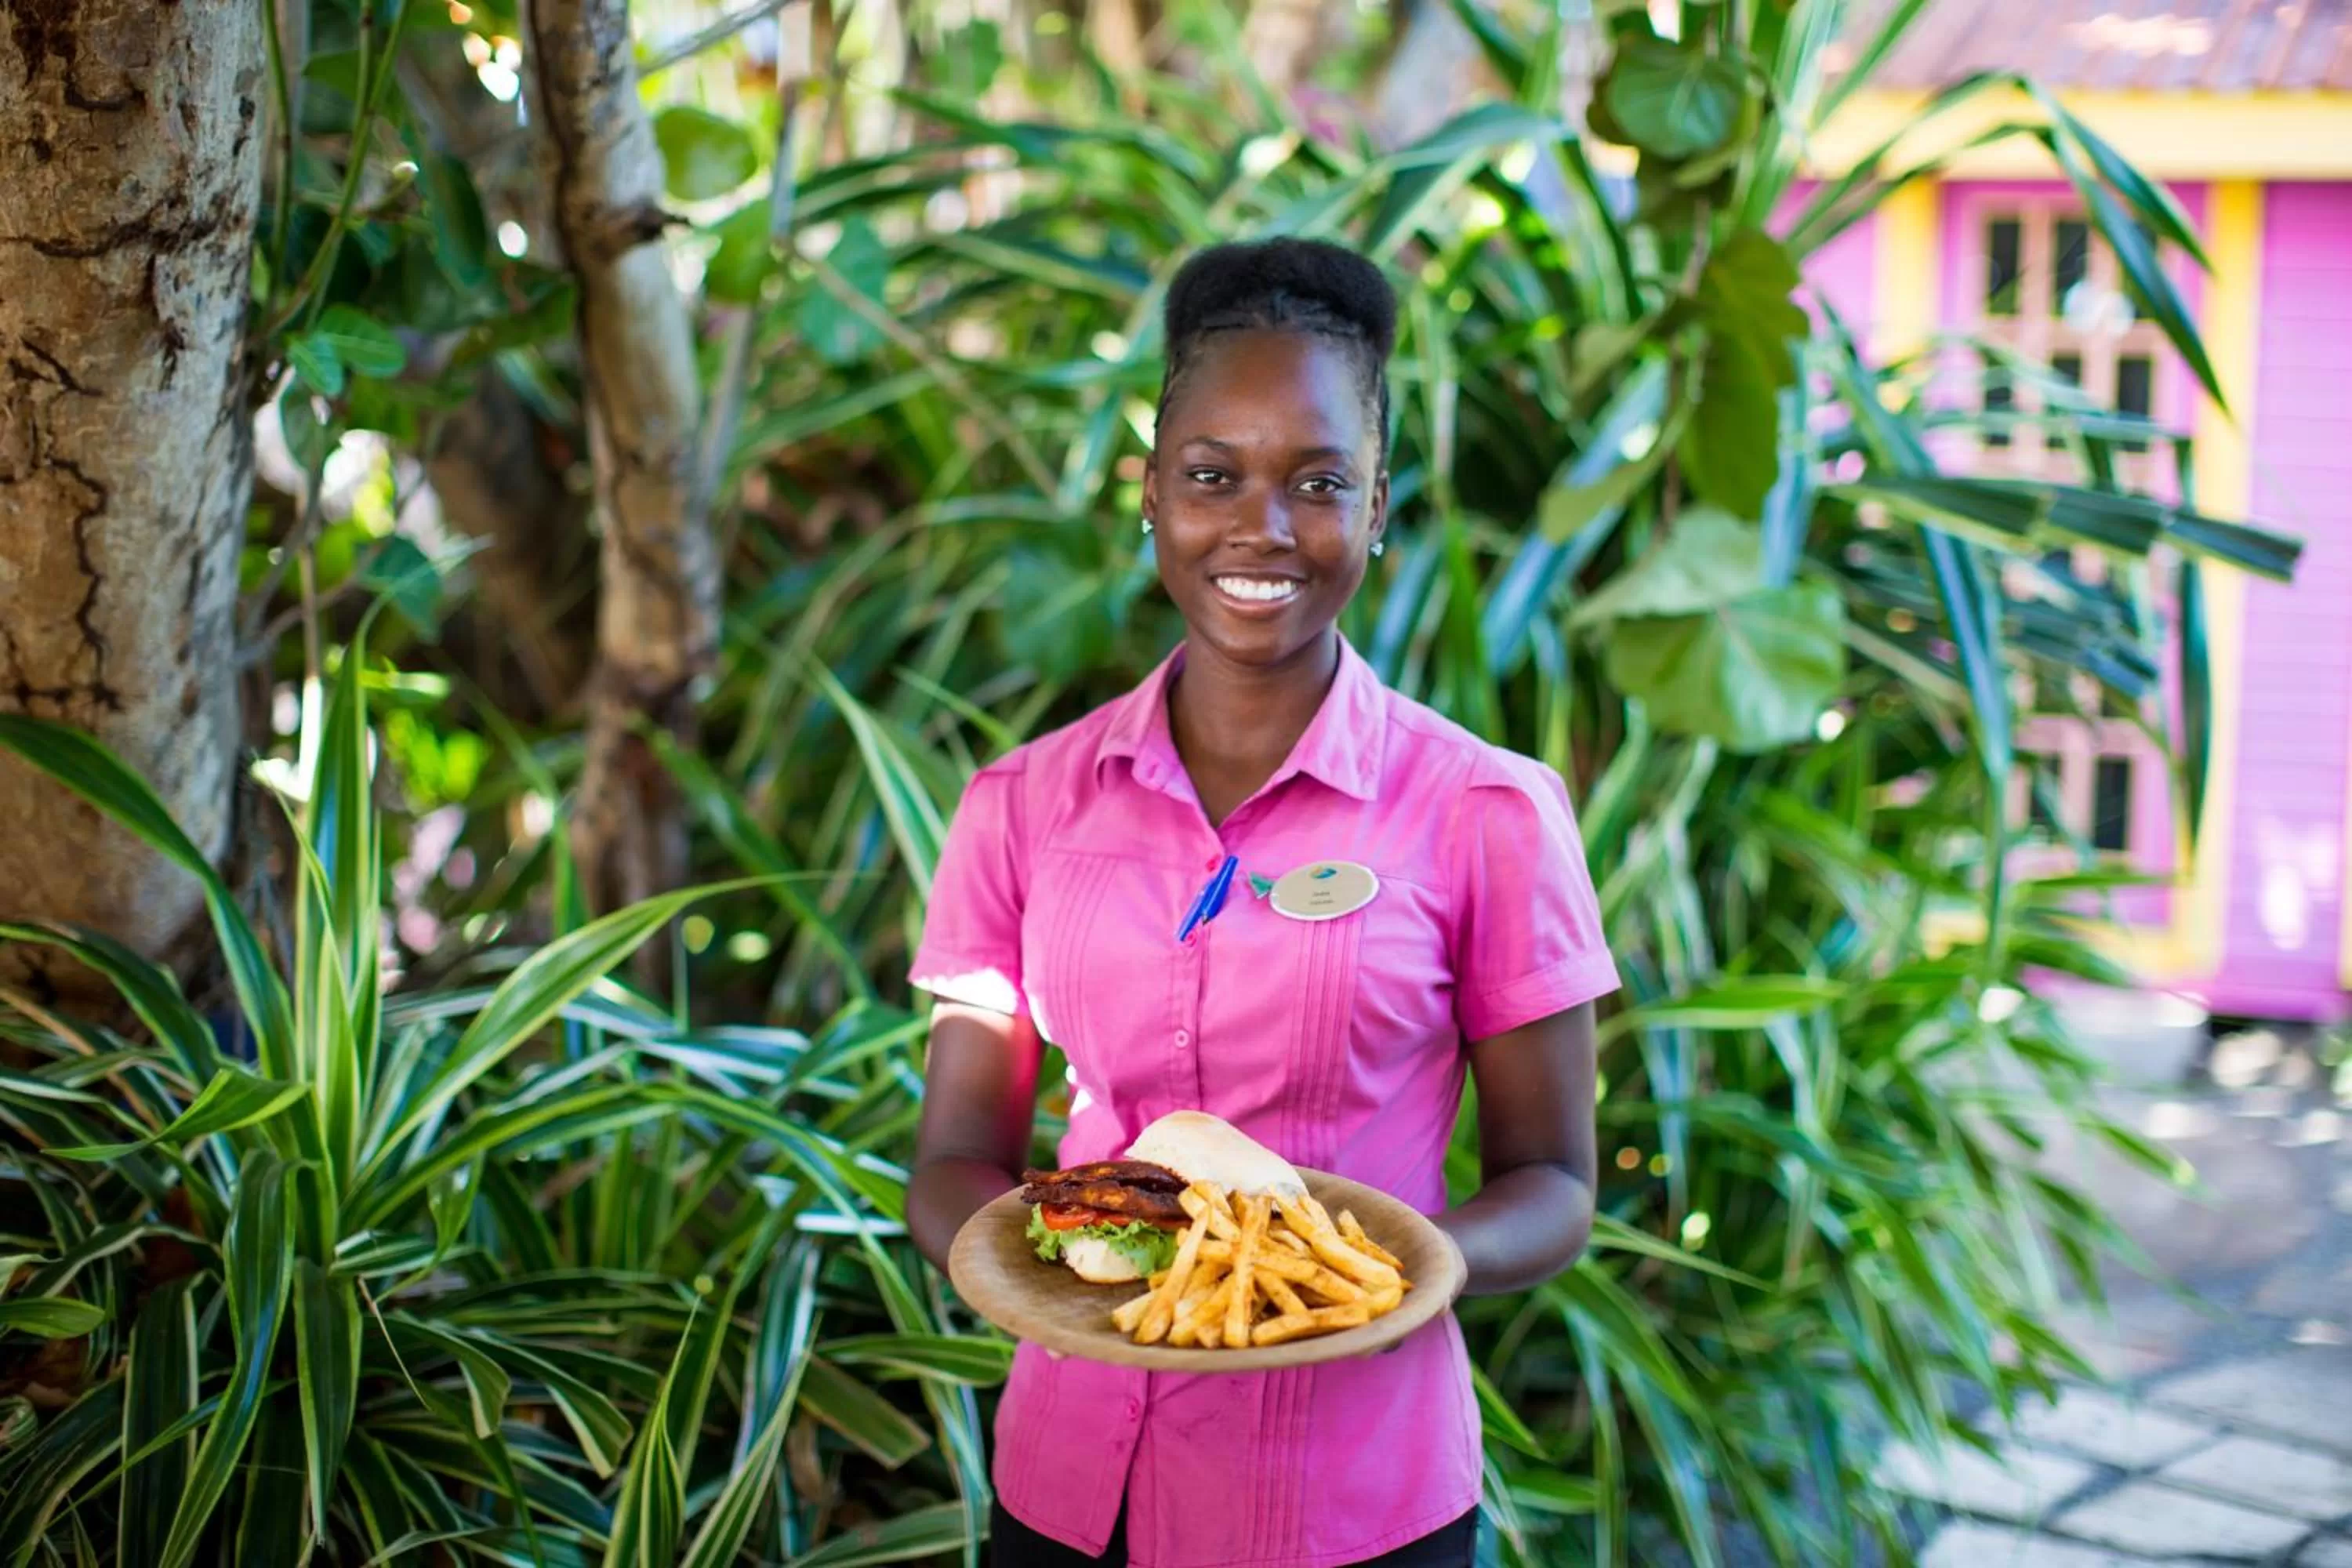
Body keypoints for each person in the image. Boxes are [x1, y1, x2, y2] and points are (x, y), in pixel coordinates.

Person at [905, 236, 1618, 1568]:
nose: (1261, 529)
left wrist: (1370, 1278)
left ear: (1381, 504)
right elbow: (954, 1159)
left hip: (1353, 1498)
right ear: (1152, 494)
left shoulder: (1485, 812)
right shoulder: (1023, 803)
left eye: (1319, 483)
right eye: (1212, 477)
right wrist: (1041, 1277)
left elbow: (1555, 1185)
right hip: (1070, 1490)